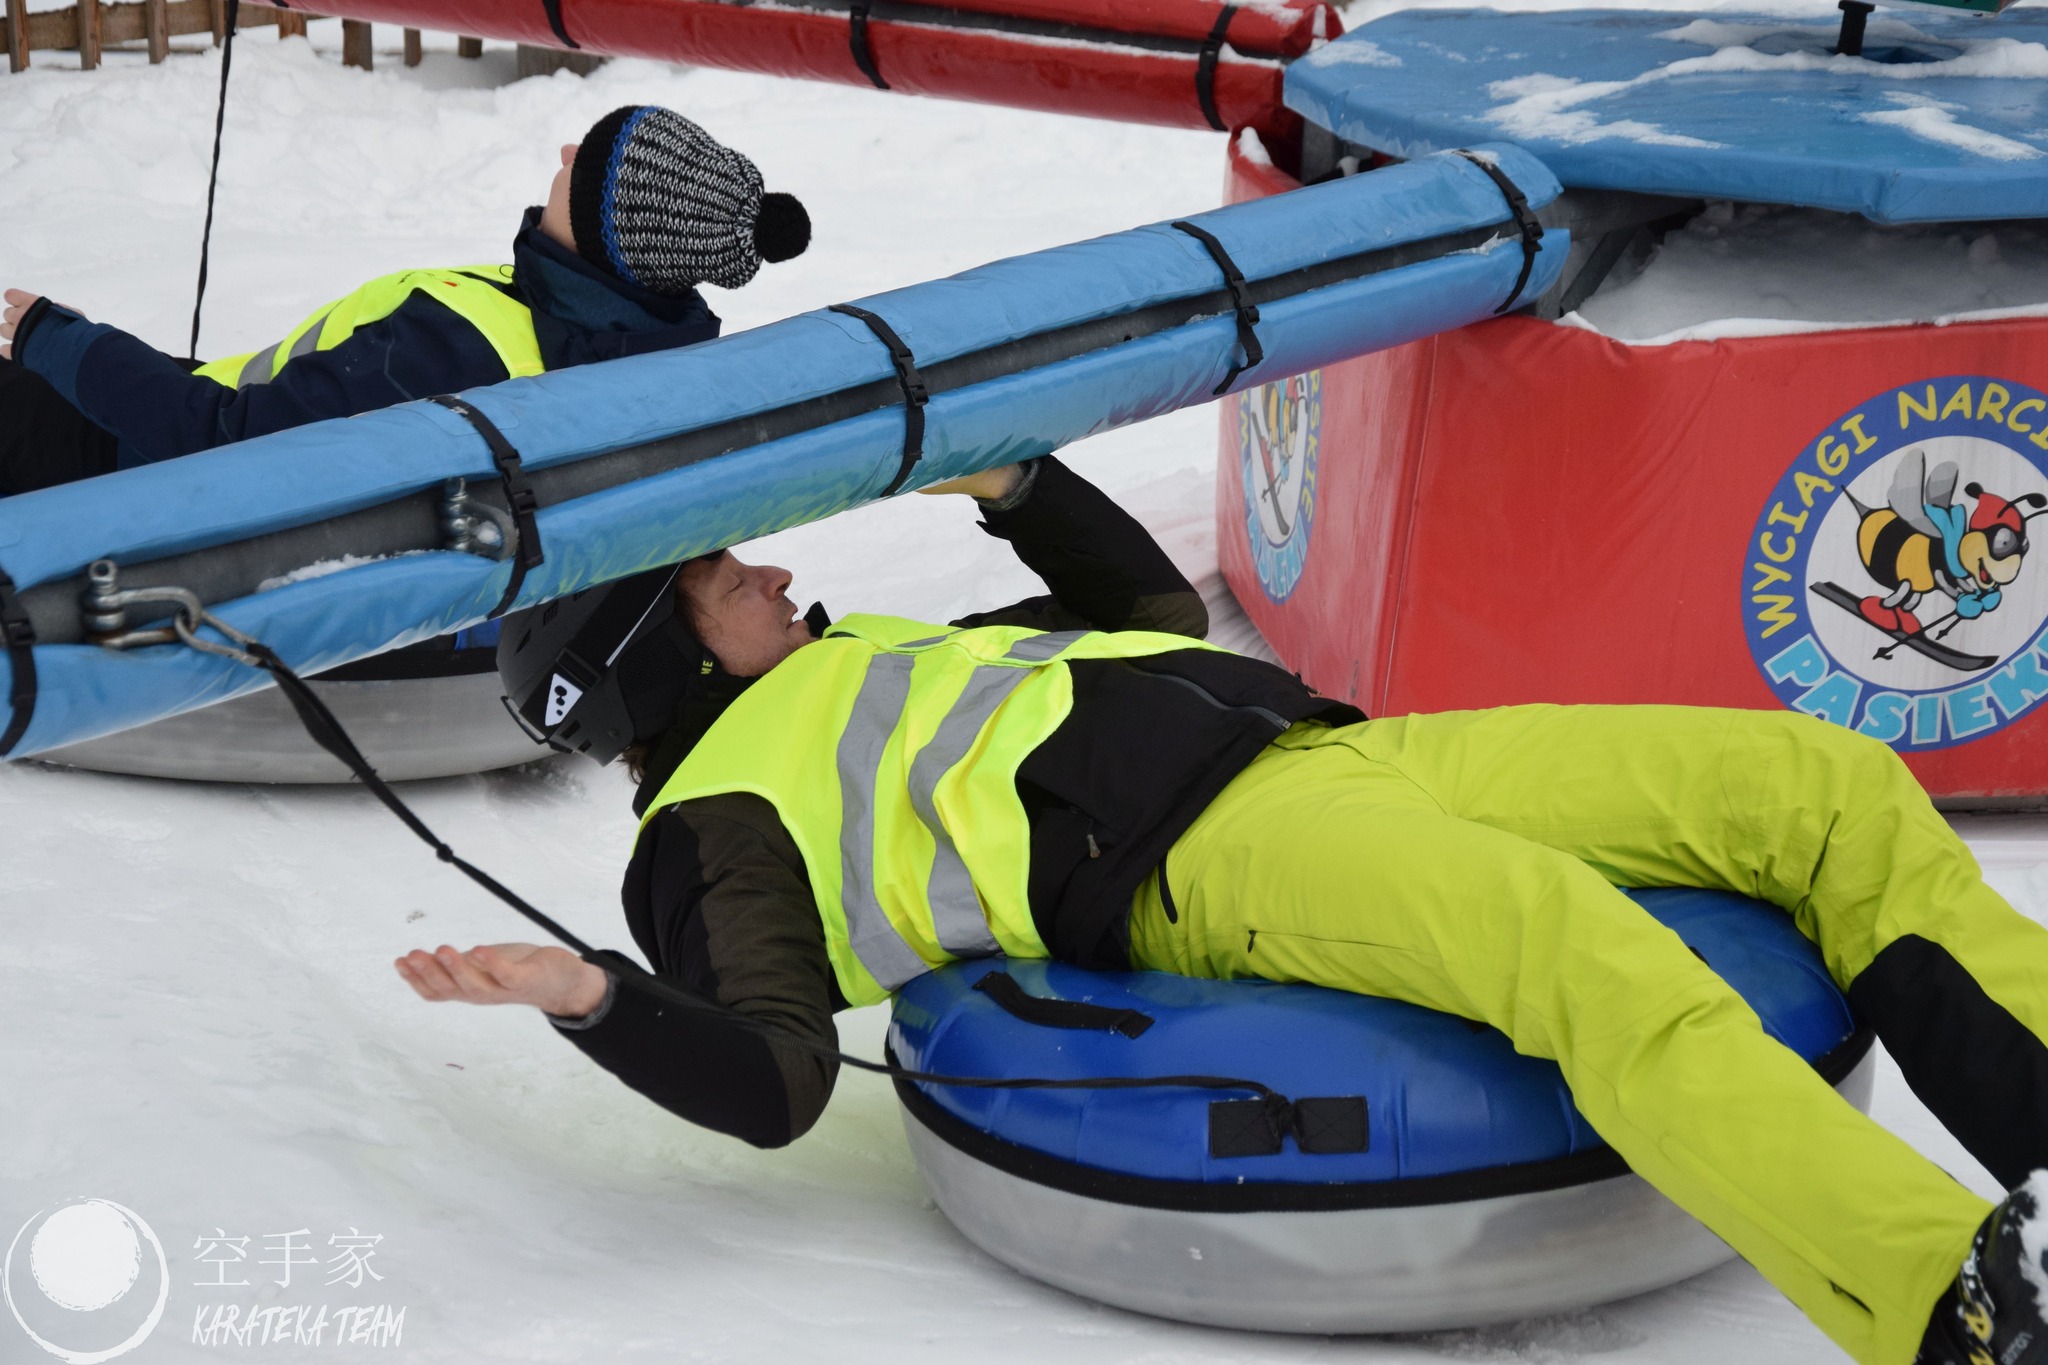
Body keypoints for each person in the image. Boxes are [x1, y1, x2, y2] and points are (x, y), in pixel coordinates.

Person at [394, 454, 2048, 1365]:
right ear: (654, 654)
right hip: (1212, 865)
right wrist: (599, 1000)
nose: (755, 565)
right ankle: (1955, 1313)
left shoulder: (855, 655)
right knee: (1582, 956)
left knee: (1810, 789)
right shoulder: (713, 827)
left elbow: (1141, 611)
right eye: (709, 574)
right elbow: (773, 1079)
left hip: (1348, 749)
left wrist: (1015, 483)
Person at [0, 104, 810, 495]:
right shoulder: (620, 335)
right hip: (202, 396)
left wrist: (54, 338)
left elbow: (221, 441)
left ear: (611, 231)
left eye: (586, 160)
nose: (564, 150)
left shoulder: (459, 353)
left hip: (136, 459)